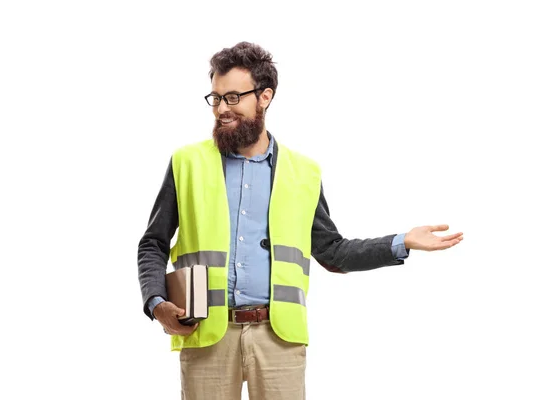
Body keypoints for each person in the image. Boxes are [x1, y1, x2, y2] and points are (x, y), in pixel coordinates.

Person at [137, 41, 463, 400]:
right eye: (215, 98)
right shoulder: (187, 162)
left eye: (233, 98)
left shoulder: (303, 172)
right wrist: (156, 302)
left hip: (279, 338)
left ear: (264, 96)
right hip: (205, 333)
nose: (221, 110)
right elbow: (153, 242)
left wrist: (402, 241)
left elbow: (332, 252)